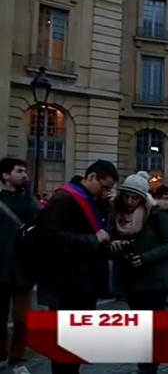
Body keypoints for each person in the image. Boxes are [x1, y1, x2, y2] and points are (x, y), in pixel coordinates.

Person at [38, 160, 118, 374]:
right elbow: (52, 237)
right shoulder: (64, 198)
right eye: (105, 187)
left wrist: (107, 205)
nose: (106, 192)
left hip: (84, 282)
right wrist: (94, 239)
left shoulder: (93, 199)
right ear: (91, 177)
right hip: (65, 282)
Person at [106, 172, 168, 374]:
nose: (130, 202)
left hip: (156, 279)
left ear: (143, 198)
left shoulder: (157, 214)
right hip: (131, 279)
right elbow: (109, 242)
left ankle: (149, 369)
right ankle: (144, 366)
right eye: (127, 196)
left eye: (135, 197)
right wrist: (114, 247)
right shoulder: (116, 214)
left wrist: (145, 257)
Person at [0, 158, 39, 374]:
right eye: (19, 171)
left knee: (22, 320)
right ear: (6, 175)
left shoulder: (27, 199)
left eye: (26, 171)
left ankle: (18, 359)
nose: (24, 174)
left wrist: (27, 191)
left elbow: (36, 215)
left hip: (23, 268)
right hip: (1, 267)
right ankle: (0, 355)